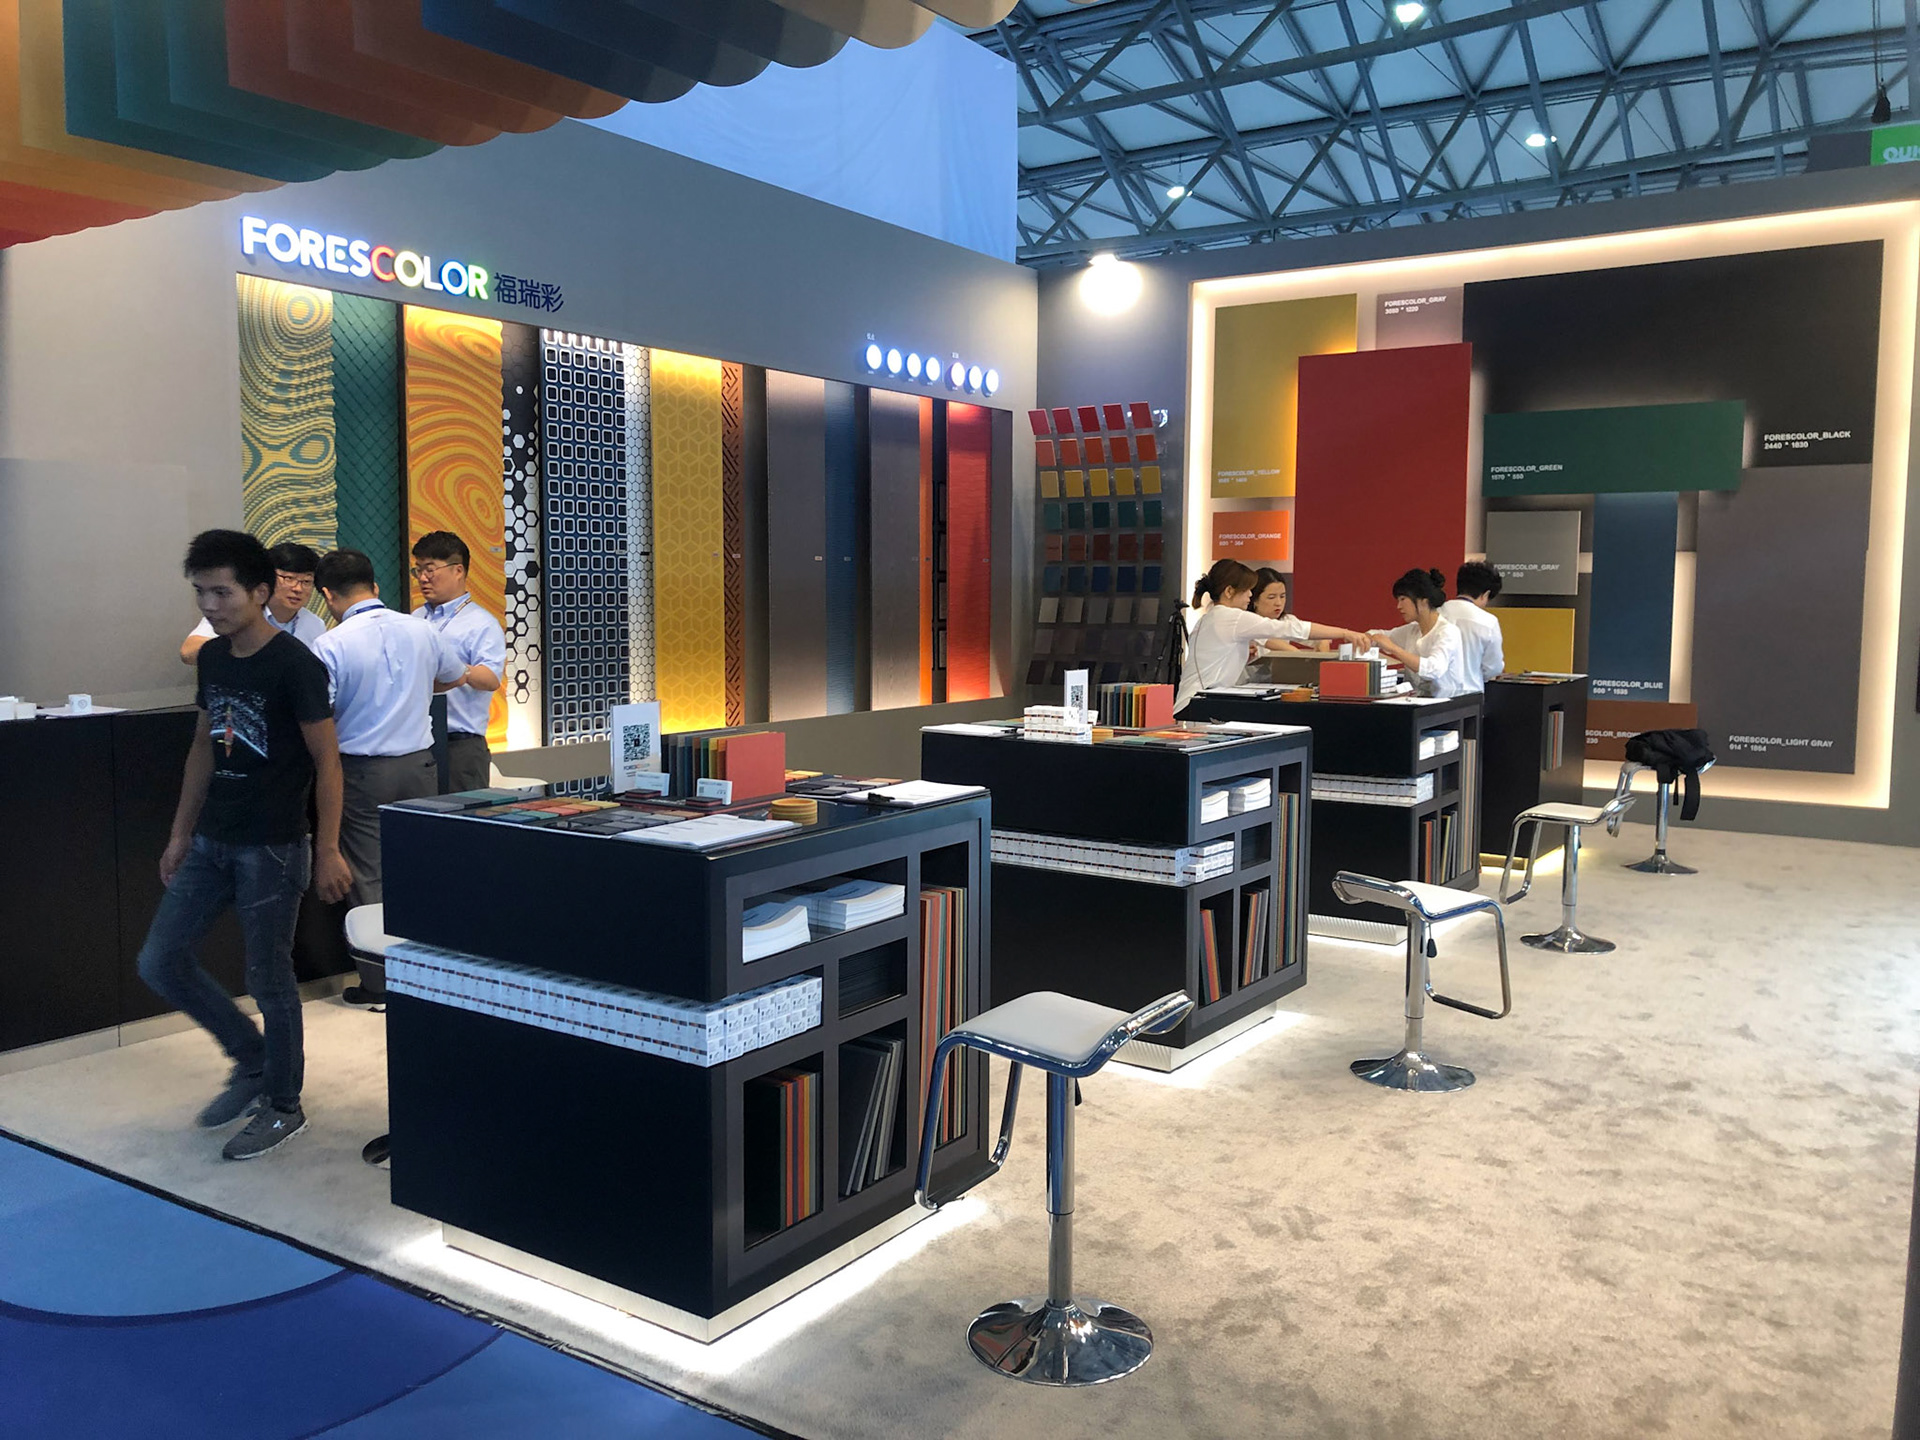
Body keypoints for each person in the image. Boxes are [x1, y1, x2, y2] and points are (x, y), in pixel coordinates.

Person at [136, 530, 353, 1162]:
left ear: (259, 592)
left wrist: (329, 848)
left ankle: (284, 1104)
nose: (210, 605)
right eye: (200, 592)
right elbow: (203, 747)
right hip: (212, 840)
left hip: (275, 847)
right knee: (160, 960)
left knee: (269, 979)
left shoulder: (295, 664)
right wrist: (180, 833)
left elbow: (328, 761)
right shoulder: (213, 658)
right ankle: (252, 1058)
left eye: (222, 592)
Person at [311, 548, 465, 938]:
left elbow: (319, 710)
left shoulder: (330, 644)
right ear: (374, 586)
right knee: (419, 866)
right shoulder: (421, 629)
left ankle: (379, 968)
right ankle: (424, 959)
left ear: (327, 595)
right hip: (421, 766)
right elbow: (453, 676)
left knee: (369, 874)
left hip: (362, 773)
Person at [1175, 559, 1371, 713]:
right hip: (1200, 705)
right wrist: (1345, 633)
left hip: (1193, 702)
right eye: (1247, 590)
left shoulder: (1209, 618)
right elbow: (1292, 630)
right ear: (1229, 591)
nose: (1250, 595)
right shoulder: (1233, 617)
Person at [410, 530, 506, 794]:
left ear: (458, 570)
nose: (423, 578)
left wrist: (455, 670)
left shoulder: (481, 623)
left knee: (462, 816)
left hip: (460, 745)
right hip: (416, 741)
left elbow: (491, 679)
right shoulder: (416, 618)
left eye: (430, 570)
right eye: (418, 570)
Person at [180, 542, 326, 664]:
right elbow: (188, 652)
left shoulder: (315, 624)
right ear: (267, 578)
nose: (298, 589)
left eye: (306, 581)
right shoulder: (240, 612)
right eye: (288, 579)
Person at [1369, 568, 1472, 699]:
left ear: (1423, 601)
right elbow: (1381, 636)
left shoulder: (1447, 632)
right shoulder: (1412, 630)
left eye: (1403, 599)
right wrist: (1362, 637)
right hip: (1414, 703)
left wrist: (1394, 649)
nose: (1398, 606)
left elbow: (1433, 669)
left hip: (1445, 705)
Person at [1439, 560, 1507, 692]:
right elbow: (1493, 667)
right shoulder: (1488, 621)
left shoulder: (1436, 612)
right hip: (1470, 693)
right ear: (1485, 594)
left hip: (1435, 694)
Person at [1247, 568, 1327, 655]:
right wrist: (1298, 654)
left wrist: (1322, 642)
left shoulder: (1287, 620)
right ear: (1255, 600)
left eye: (1282, 596)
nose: (1278, 603)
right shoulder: (1247, 621)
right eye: (1271, 597)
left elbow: (1313, 635)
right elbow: (1269, 641)